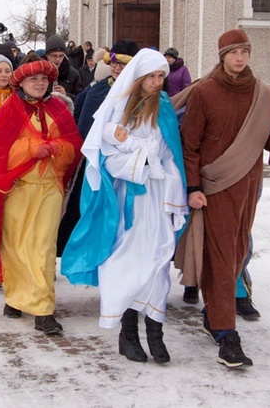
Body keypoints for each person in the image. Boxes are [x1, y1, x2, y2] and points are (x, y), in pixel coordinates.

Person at [176, 28, 270, 368]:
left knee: (238, 251)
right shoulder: (205, 92)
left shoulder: (261, 93)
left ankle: (213, 315)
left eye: (245, 52)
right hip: (214, 188)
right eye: (233, 52)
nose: (240, 58)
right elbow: (190, 145)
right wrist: (193, 187)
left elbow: (267, 132)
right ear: (222, 55)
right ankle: (228, 335)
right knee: (223, 256)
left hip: (248, 184)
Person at [61, 48, 188, 364]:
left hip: (157, 199)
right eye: (152, 77)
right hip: (128, 201)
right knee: (128, 262)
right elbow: (105, 156)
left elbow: (172, 156)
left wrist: (170, 187)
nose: (157, 82)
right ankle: (128, 334)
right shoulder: (118, 109)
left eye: (162, 76)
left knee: (158, 262)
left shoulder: (165, 110)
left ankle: (155, 332)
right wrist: (138, 158)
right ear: (139, 78)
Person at [0, 60, 82, 335]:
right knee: (14, 244)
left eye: (43, 79)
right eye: (32, 79)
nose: (39, 83)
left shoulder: (60, 108)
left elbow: (74, 145)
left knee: (42, 246)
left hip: (49, 187)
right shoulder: (8, 111)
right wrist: (30, 147)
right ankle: (14, 297)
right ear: (21, 83)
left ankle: (42, 309)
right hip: (17, 188)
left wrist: (58, 147)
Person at [56, 40, 139, 257]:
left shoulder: (139, 92)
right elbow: (79, 117)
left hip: (123, 165)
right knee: (83, 207)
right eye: (114, 63)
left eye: (122, 64)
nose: (117, 68)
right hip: (91, 159)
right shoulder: (98, 89)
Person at [44, 35, 82, 100]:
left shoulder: (73, 74)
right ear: (47, 55)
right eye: (54, 56)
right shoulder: (39, 72)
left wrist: (66, 94)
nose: (58, 59)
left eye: (61, 56)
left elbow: (80, 99)